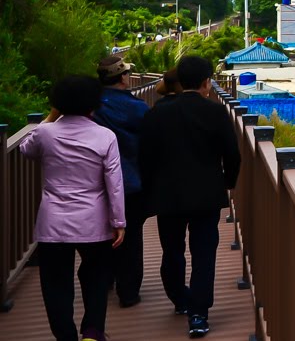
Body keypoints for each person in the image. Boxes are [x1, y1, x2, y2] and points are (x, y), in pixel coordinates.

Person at [140, 56, 241, 339]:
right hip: (206, 195)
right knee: (203, 254)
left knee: (172, 251)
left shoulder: (155, 114)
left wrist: (151, 191)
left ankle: (179, 298)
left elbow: (145, 158)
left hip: (167, 195)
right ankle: (199, 315)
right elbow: (232, 155)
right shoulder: (214, 113)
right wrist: (228, 183)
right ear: (207, 82)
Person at [20, 75, 126, 341]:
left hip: (53, 222)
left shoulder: (45, 133)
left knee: (55, 284)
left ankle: (65, 336)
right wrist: (119, 221)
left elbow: (25, 149)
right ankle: (92, 331)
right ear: (94, 103)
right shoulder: (105, 136)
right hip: (94, 220)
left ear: (57, 103)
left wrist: (51, 116)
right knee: (97, 276)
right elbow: (114, 183)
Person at [92, 54, 149, 308]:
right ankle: (128, 291)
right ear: (124, 78)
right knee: (132, 236)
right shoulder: (138, 108)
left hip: (96, 182)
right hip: (131, 180)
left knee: (101, 235)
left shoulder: (91, 107)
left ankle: (103, 282)